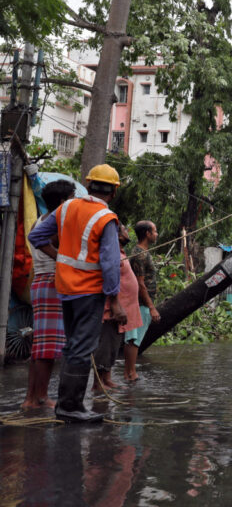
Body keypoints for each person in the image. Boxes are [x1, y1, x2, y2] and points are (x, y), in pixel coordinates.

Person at [28, 164, 126, 423]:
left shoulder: (66, 207)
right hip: (89, 292)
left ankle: (66, 405)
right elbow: (109, 262)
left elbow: (36, 236)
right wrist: (114, 300)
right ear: (114, 191)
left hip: (65, 289)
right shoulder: (106, 218)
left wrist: (60, 258)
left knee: (73, 346)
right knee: (82, 348)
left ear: (89, 184)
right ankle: (71, 407)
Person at [22, 180, 75, 410]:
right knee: (48, 347)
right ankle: (40, 398)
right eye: (72, 198)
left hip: (41, 283)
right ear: (63, 202)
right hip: (52, 283)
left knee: (41, 344)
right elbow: (58, 247)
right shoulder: (56, 223)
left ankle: (31, 398)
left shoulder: (39, 222)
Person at [94, 224, 142, 390]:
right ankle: (98, 383)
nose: (127, 231)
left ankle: (106, 379)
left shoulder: (120, 251)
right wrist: (114, 304)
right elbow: (108, 275)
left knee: (113, 344)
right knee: (106, 343)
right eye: (123, 229)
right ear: (116, 234)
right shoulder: (111, 251)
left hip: (122, 309)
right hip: (113, 308)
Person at [123, 220, 160, 382]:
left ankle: (130, 372)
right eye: (155, 231)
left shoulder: (142, 252)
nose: (156, 234)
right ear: (147, 234)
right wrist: (151, 307)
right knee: (134, 338)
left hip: (142, 302)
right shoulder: (139, 254)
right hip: (140, 303)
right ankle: (130, 373)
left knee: (135, 338)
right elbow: (140, 283)